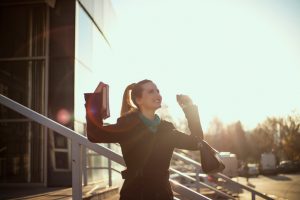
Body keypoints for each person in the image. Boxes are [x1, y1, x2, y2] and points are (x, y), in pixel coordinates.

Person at [85, 79, 204, 200]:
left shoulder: (167, 129)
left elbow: (197, 142)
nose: (158, 95)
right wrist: (94, 101)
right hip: (135, 194)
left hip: (163, 195)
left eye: (158, 91)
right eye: (151, 91)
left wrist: (190, 109)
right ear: (138, 100)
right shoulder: (127, 126)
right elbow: (94, 135)